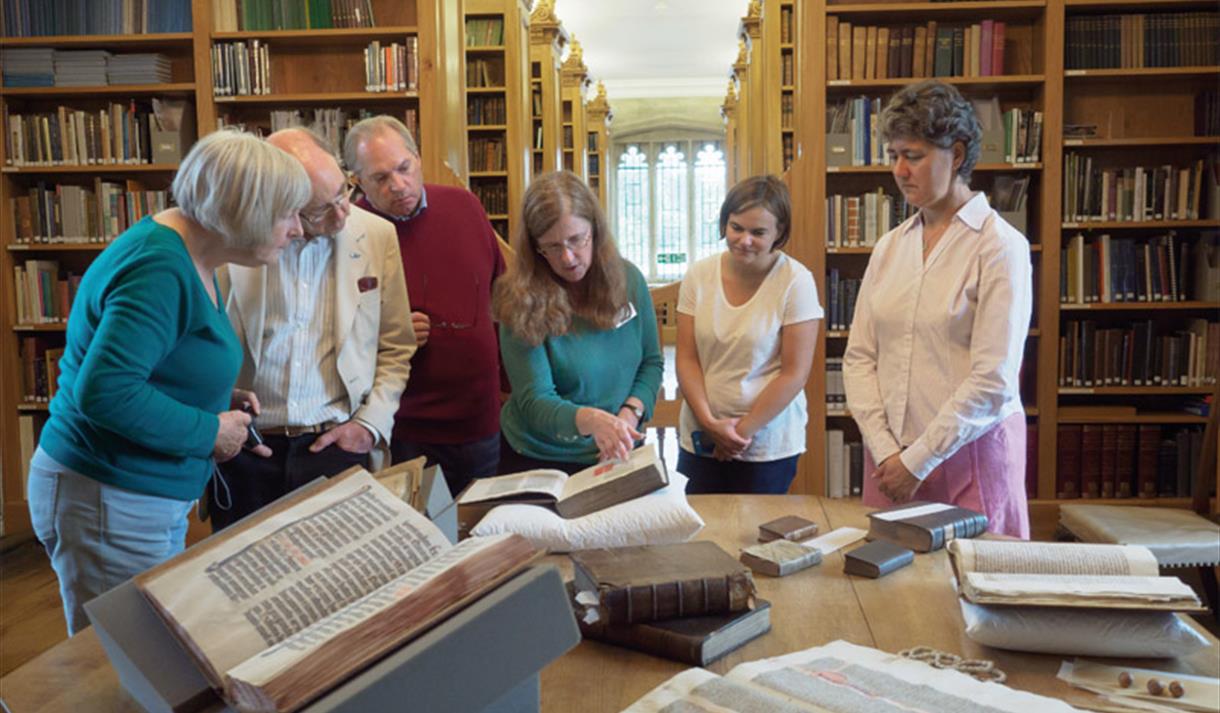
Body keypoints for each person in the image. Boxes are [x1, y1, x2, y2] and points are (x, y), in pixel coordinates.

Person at [27, 129, 310, 634]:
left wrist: (214, 397)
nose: (297, 230)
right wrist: (209, 431)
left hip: (131, 496)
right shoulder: (160, 267)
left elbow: (157, 360)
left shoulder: (192, 253)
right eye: (287, 214)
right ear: (245, 210)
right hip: (109, 496)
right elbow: (106, 391)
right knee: (122, 665)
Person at [843, 80, 1033, 538]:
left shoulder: (1000, 246)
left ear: (959, 153)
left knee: (973, 600)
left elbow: (993, 381)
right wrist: (888, 452)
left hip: (971, 456)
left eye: (914, 155)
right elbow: (859, 357)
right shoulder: (889, 248)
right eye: (894, 156)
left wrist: (918, 460)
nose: (900, 170)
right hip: (890, 462)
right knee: (897, 598)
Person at [208, 127, 415, 531]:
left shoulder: (377, 234)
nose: (341, 215)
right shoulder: (229, 243)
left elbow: (396, 347)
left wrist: (370, 426)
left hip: (336, 443)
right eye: (318, 210)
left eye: (343, 193)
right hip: (249, 449)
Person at [345, 116, 505, 496]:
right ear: (356, 183)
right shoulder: (350, 233)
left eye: (404, 168)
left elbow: (501, 291)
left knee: (483, 534)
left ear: (417, 157)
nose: (398, 186)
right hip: (405, 427)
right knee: (419, 542)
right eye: (381, 178)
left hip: (481, 418)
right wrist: (388, 329)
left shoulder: (464, 206)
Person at [493, 170, 663, 473]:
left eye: (576, 240)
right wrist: (595, 421)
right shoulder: (519, 298)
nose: (568, 258)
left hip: (618, 448)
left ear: (595, 231)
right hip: (541, 457)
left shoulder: (629, 281)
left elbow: (651, 363)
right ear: (535, 248)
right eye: (553, 247)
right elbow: (535, 400)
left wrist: (627, 416)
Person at [675, 175, 821, 494]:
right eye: (736, 227)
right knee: (698, 537)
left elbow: (794, 374)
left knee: (755, 540)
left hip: (767, 443)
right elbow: (686, 358)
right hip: (700, 435)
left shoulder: (797, 281)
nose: (744, 240)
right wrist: (711, 425)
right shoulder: (699, 275)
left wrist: (736, 436)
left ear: (779, 233)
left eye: (758, 232)